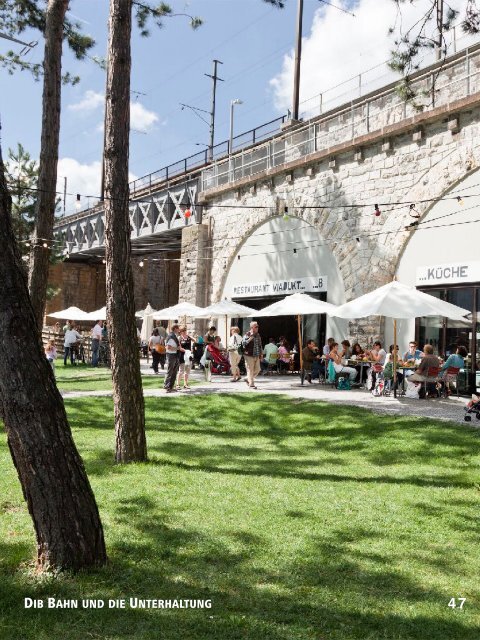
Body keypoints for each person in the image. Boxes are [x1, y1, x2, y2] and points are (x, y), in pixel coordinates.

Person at [242, 321, 263, 388]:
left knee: (258, 369)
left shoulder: (258, 335)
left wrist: (261, 354)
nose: (257, 328)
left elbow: (260, 345)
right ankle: (251, 384)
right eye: (256, 326)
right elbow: (243, 344)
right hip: (249, 355)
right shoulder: (247, 334)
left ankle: (248, 378)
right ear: (252, 327)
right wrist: (250, 338)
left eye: (257, 326)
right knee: (250, 369)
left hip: (256, 354)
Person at [164, 324, 182, 393]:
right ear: (175, 328)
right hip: (171, 355)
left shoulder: (174, 336)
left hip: (175, 355)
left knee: (174, 372)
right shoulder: (171, 336)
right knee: (170, 371)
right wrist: (177, 348)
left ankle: (171, 387)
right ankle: (167, 386)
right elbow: (168, 347)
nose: (179, 330)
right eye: (178, 328)